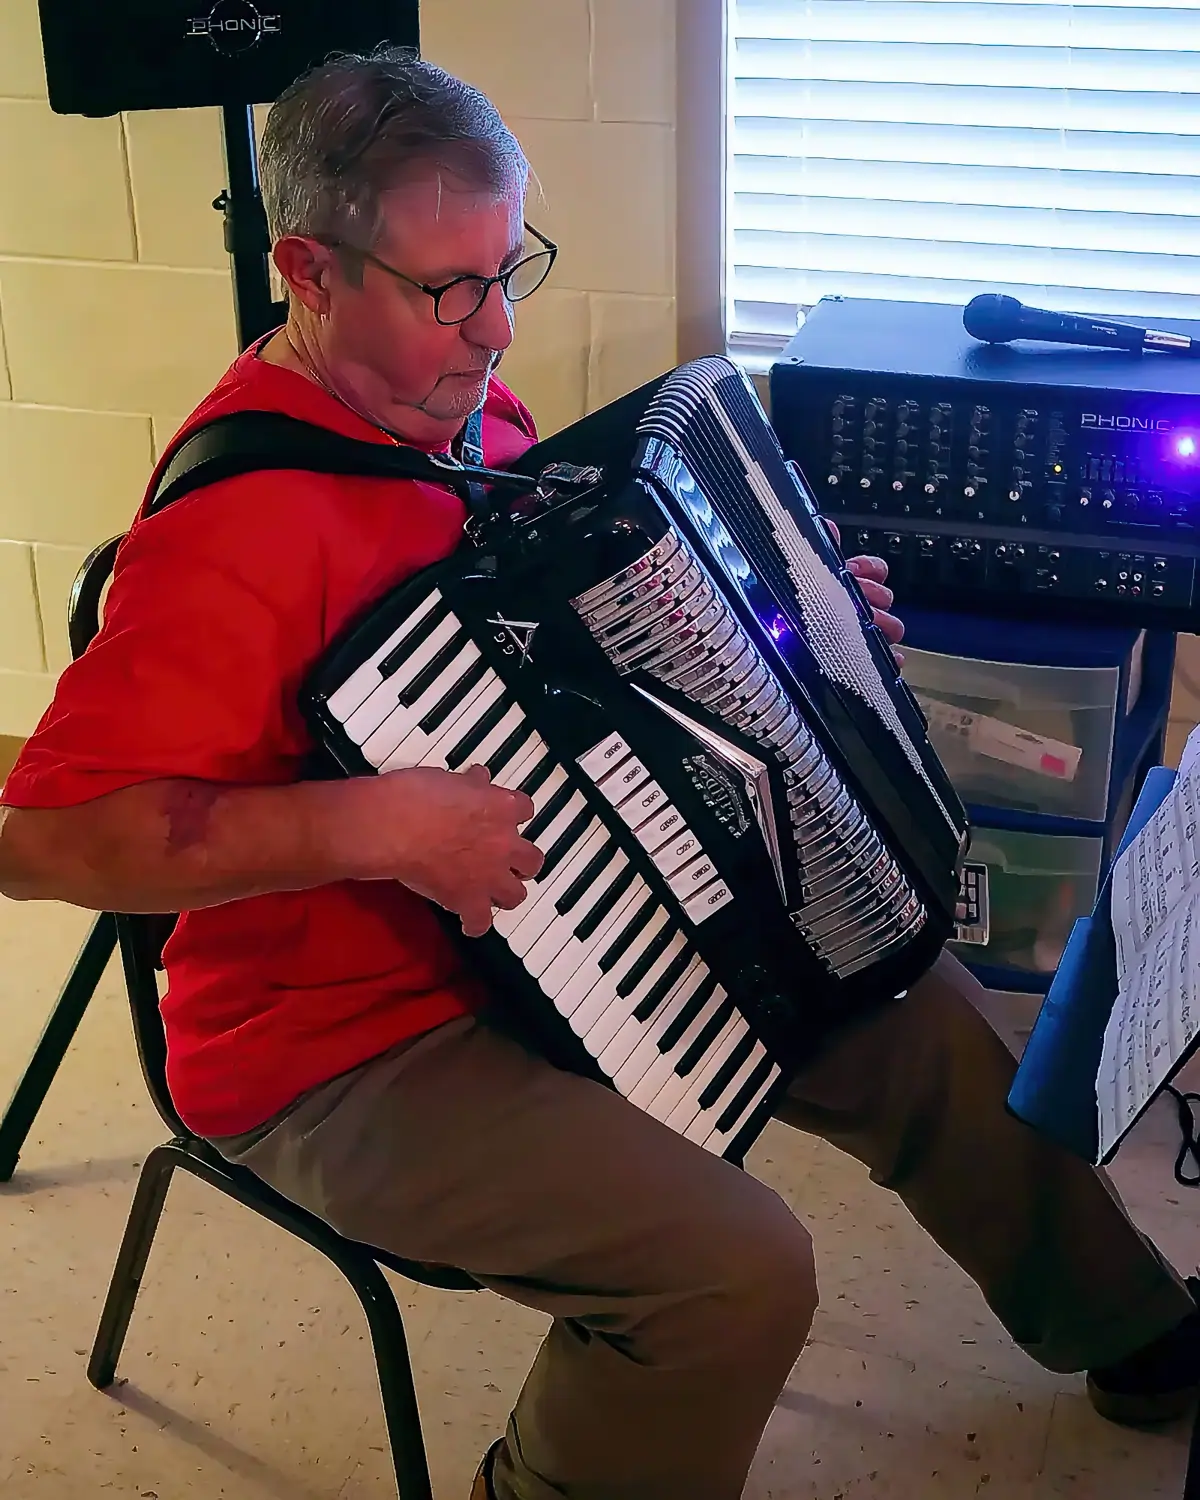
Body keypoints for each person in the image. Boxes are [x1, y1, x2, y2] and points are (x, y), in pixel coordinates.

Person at [0, 47, 1196, 1500]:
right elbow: (49, 840)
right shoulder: (237, 531)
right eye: (449, 289)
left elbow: (605, 645)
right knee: (734, 1274)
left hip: (592, 921)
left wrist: (804, 621)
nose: (496, 331)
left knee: (920, 1010)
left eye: (513, 270)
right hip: (347, 1044)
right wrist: (373, 824)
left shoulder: (460, 418)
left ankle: (1134, 1326)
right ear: (309, 272)